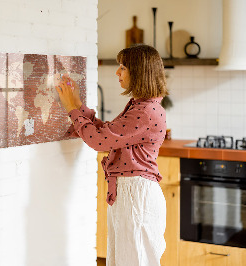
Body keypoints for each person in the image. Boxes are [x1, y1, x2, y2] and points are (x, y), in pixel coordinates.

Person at [56, 44, 168, 266]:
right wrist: (78, 104)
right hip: (131, 193)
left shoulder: (145, 111)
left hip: (136, 195)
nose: (117, 72)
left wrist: (71, 109)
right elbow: (107, 133)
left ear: (139, 72)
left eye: (123, 67)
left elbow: (99, 141)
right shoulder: (141, 106)